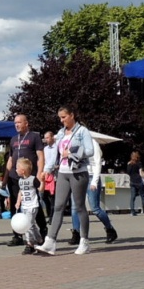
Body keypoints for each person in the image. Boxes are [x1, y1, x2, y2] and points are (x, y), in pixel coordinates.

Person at [36, 105, 95, 256]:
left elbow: (90, 151)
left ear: (72, 115)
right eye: (60, 118)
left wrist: (73, 152)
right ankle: (50, 241)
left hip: (78, 172)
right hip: (62, 172)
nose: (62, 120)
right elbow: (56, 154)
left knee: (79, 207)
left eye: (64, 117)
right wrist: (46, 171)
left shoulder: (82, 131)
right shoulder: (61, 133)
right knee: (58, 206)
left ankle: (84, 241)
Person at [5, 113, 46, 246]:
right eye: (15, 123)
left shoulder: (34, 137)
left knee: (34, 204)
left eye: (19, 122)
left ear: (26, 123)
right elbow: (10, 159)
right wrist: (5, 178)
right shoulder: (13, 139)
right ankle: (17, 235)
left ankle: (43, 231)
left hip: (30, 177)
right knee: (16, 206)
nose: (17, 125)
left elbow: (40, 156)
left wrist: (39, 173)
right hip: (15, 177)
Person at [14, 158, 43, 254]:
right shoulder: (20, 181)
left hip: (33, 206)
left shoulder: (33, 179)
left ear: (22, 170)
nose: (16, 170)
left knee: (27, 225)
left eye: (17, 168)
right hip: (24, 206)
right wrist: (18, 202)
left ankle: (30, 244)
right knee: (32, 224)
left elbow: (41, 189)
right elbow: (20, 192)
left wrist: (43, 181)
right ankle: (39, 240)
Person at [41, 130, 58, 219]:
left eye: (47, 137)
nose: (46, 139)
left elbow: (53, 160)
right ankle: (49, 213)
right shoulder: (45, 149)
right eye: (45, 138)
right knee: (44, 196)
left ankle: (52, 216)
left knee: (52, 197)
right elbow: (44, 161)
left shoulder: (56, 147)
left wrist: (48, 170)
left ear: (52, 137)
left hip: (54, 175)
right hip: (46, 174)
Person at [127, 151, 144, 216]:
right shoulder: (139, 163)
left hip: (132, 181)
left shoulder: (129, 164)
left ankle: (132, 211)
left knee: (132, 197)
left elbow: (128, 172)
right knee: (143, 196)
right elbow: (141, 173)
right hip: (139, 181)